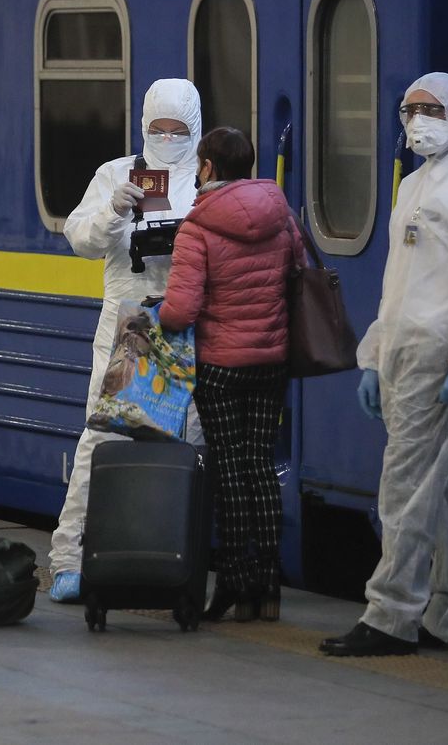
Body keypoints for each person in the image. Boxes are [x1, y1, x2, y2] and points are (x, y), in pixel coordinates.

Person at [319, 72, 448, 657]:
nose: (418, 119)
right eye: (409, 110)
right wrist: (375, 355)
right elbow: (397, 283)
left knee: (404, 484)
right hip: (406, 348)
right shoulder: (413, 186)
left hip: (441, 353)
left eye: (432, 108)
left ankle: (390, 615)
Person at [47, 78, 204, 603]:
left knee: (190, 441)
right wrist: (115, 210)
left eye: (178, 130)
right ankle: (69, 559)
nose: (167, 137)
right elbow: (81, 241)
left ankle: (177, 556)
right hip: (131, 324)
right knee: (103, 437)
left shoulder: (209, 175)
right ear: (142, 125)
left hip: (189, 322)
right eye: (157, 128)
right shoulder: (117, 173)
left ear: (195, 129)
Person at [157, 127, 303, 622]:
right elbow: (297, 273)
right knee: (260, 466)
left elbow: (180, 311)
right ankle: (267, 584)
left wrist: (157, 316)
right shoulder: (280, 216)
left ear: (208, 167)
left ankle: (234, 581)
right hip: (271, 363)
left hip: (221, 367)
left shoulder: (198, 227)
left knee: (230, 470)